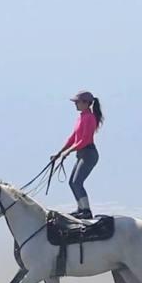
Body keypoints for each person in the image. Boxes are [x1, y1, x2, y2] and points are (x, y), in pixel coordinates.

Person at [51, 90, 104, 219]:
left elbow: (84, 140)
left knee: (77, 182)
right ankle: (81, 208)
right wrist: (59, 153)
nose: (75, 104)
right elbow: (73, 138)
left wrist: (68, 152)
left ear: (86, 103)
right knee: (72, 182)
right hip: (82, 153)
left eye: (77, 102)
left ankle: (86, 210)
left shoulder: (90, 118)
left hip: (89, 153)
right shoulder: (81, 117)